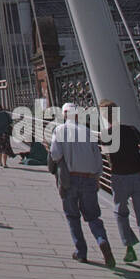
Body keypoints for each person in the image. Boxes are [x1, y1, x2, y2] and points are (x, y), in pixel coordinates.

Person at [50, 102, 116, 268]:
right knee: (93, 216)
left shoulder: (59, 130)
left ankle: (81, 252)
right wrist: (97, 177)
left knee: (73, 217)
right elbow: (97, 157)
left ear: (64, 114)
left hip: (69, 180)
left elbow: (55, 155)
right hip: (88, 179)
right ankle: (102, 241)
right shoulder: (87, 132)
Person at [100, 98, 140, 274]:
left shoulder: (105, 134)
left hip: (120, 178)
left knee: (120, 213)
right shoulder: (132, 130)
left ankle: (129, 246)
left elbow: (107, 157)